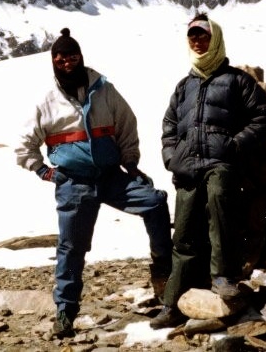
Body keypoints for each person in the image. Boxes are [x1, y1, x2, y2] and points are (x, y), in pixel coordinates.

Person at [15, 28, 173, 339]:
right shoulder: (46, 100)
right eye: (60, 58)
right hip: (73, 182)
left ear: (81, 56)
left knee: (155, 202)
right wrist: (43, 171)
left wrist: (131, 163)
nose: (66, 62)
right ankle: (65, 310)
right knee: (71, 247)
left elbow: (126, 125)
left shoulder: (104, 90)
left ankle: (164, 275)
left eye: (71, 56)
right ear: (53, 61)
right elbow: (24, 144)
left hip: (112, 176)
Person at [151, 13, 266, 329]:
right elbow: (168, 125)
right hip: (188, 166)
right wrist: (172, 156)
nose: (197, 41)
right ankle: (173, 303)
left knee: (221, 209)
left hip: (221, 163)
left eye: (203, 35)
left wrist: (234, 146)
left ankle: (223, 277)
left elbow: (263, 118)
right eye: (192, 36)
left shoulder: (236, 80)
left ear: (215, 39)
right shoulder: (184, 86)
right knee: (184, 232)